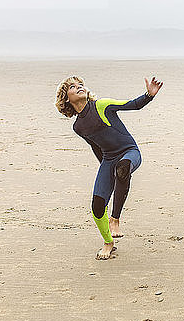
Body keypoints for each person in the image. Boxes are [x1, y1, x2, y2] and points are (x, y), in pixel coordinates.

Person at [55, 76, 163, 259]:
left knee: (122, 168)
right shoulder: (78, 126)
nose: (79, 87)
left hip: (130, 152)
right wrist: (107, 173)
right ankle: (108, 242)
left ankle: (115, 219)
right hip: (108, 160)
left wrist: (149, 95)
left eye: (80, 84)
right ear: (66, 98)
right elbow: (96, 146)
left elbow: (133, 104)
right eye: (73, 87)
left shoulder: (101, 105)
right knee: (97, 206)